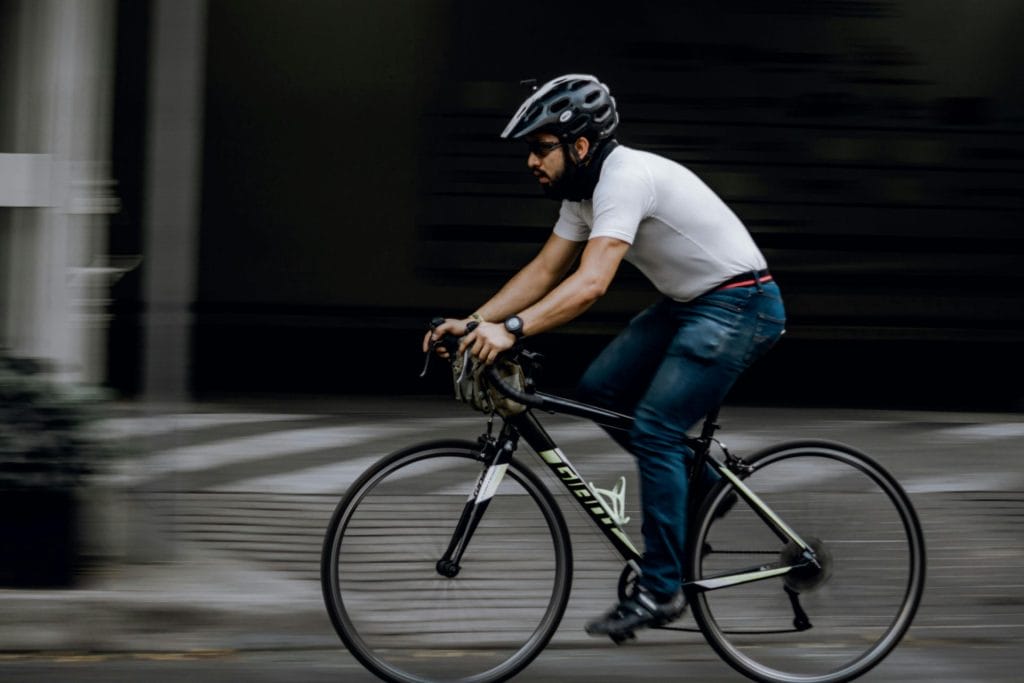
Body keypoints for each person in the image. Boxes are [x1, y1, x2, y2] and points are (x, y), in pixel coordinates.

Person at [424, 73, 786, 638]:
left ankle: (660, 589)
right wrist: (476, 322)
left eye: (541, 149)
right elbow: (546, 271)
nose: (531, 162)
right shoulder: (583, 193)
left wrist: (511, 330)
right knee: (597, 394)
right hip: (691, 304)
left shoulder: (624, 178)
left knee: (656, 430)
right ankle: (704, 490)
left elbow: (591, 284)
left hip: (741, 305)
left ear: (581, 146)